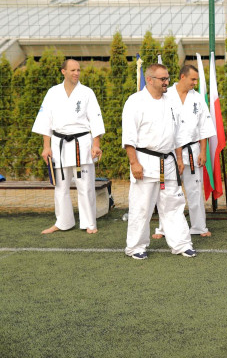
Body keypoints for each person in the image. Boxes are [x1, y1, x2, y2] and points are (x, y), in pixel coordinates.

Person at [122, 63, 196, 260]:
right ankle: (136, 246)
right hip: (144, 161)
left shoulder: (171, 101)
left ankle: (181, 243)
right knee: (141, 207)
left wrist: (179, 158)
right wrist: (134, 163)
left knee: (174, 204)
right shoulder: (135, 101)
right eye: (163, 79)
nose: (166, 82)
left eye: (167, 78)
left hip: (168, 161)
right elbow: (129, 137)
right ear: (149, 80)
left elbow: (177, 133)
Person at [32, 59, 105, 234]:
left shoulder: (87, 92)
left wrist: (96, 144)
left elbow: (96, 119)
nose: (76, 73)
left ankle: (89, 223)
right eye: (72, 70)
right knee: (60, 187)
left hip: (82, 144)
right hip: (59, 144)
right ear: (63, 71)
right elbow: (45, 120)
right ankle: (63, 222)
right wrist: (46, 147)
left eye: (78, 70)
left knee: (85, 186)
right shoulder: (53, 92)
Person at [152, 64, 216, 239]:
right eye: (193, 79)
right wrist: (177, 156)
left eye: (196, 80)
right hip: (170, 151)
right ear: (182, 77)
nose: (195, 83)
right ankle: (163, 228)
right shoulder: (166, 95)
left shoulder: (198, 98)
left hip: (193, 150)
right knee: (167, 192)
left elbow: (204, 127)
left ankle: (199, 226)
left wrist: (203, 152)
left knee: (195, 190)